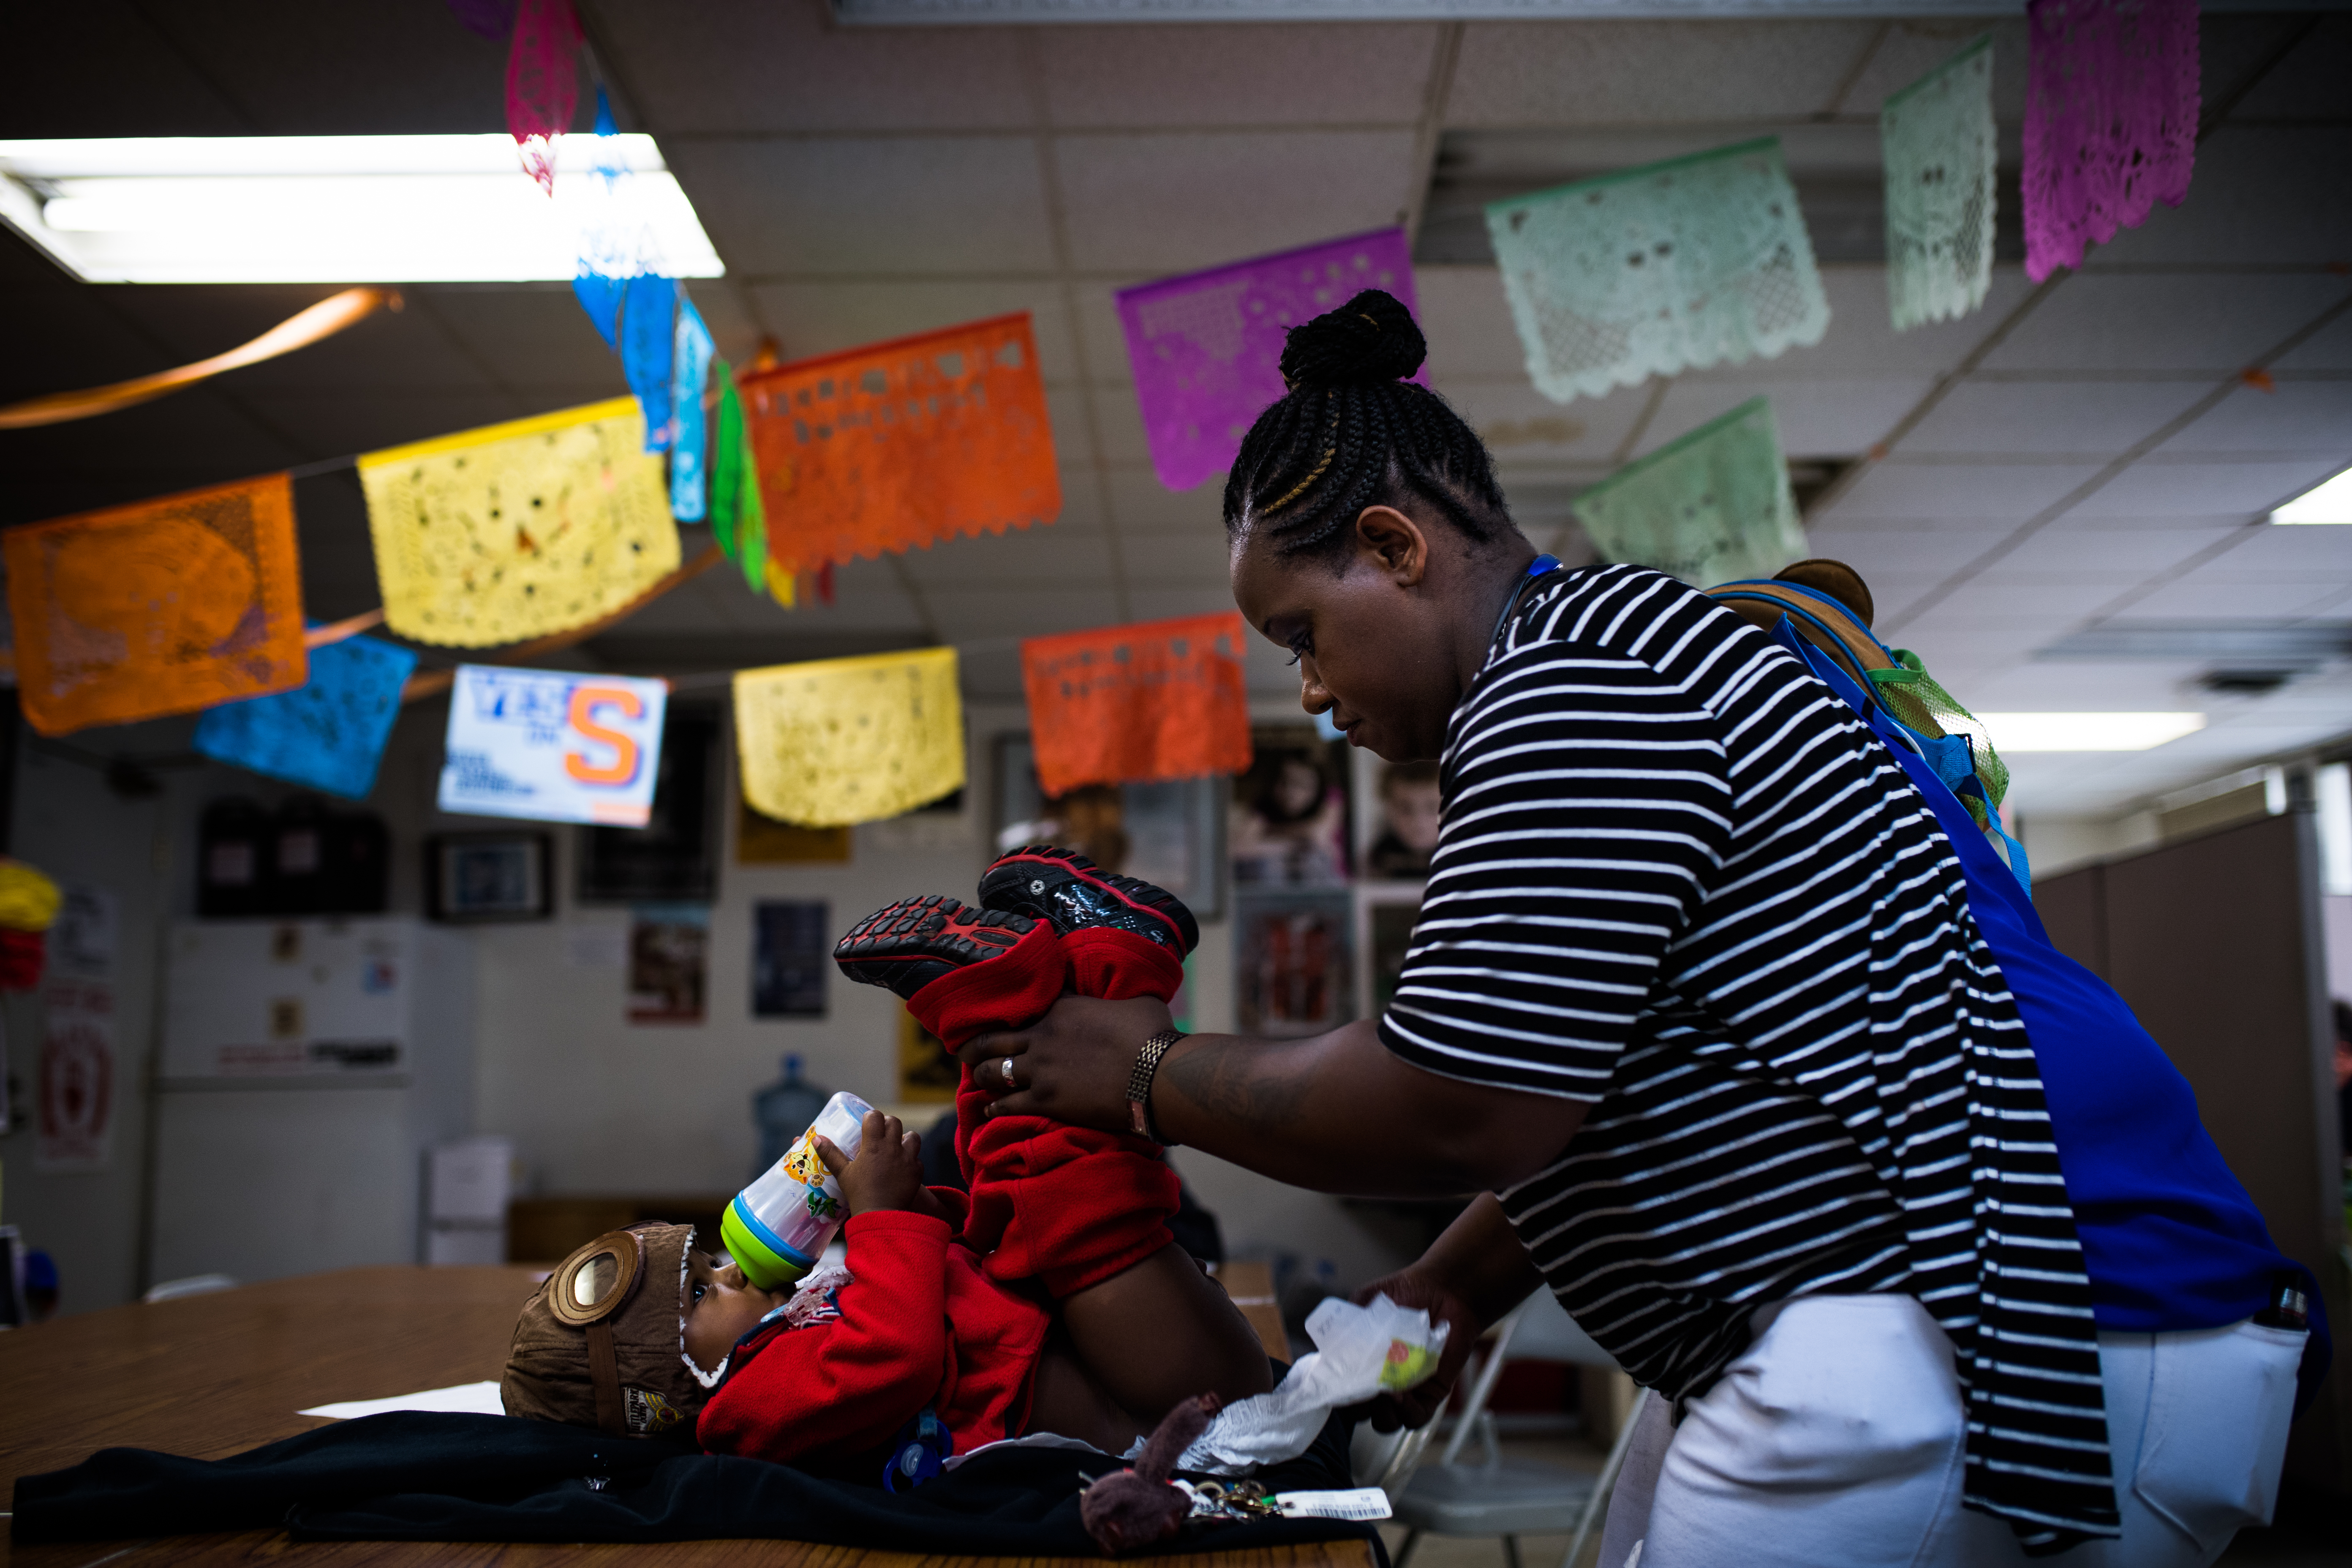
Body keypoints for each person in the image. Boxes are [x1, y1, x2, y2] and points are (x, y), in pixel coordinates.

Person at [953, 290, 2315, 1567]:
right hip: (1941, 1298)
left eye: (1300, 633)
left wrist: (1145, 1075)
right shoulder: (1611, 652)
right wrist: (1448, 1283)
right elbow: (1606, 1074)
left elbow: (1462, 1096)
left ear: (1392, 546)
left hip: (2039, 1294)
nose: (1308, 691)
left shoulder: (1573, 678)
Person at [1364, 760, 1441, 879]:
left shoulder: (1465, 854)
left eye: (1432, 807)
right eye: (1406, 809)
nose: (1418, 821)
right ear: (1388, 808)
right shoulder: (1377, 859)